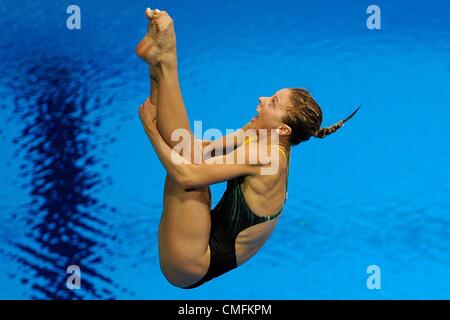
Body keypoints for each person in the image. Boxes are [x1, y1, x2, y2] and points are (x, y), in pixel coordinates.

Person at [136, 8, 360, 289]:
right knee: (188, 151)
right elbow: (196, 149)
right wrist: (244, 131)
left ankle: (166, 61)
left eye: (273, 102)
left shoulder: (267, 157)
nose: (263, 98)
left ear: (283, 130)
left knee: (189, 175)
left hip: (193, 263)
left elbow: (186, 176)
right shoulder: (266, 139)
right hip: (200, 240)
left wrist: (150, 131)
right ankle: (158, 66)